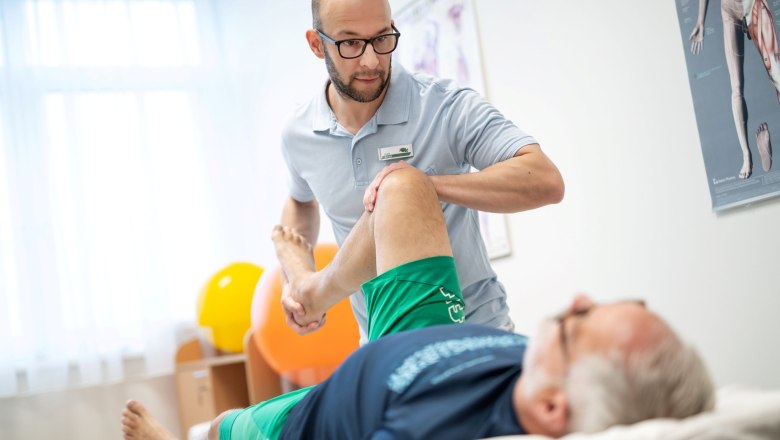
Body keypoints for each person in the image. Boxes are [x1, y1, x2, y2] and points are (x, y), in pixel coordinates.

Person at [122, 165, 714, 440]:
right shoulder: (546, 376)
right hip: (426, 324)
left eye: (576, 327)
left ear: (555, 410)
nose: (577, 300)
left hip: (336, 407)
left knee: (227, 427)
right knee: (403, 184)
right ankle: (312, 289)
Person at [279, 0, 565, 340]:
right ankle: (311, 290)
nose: (371, 60)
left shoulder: (444, 105)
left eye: (383, 38)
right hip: (381, 343)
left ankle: (318, 291)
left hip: (477, 330)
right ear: (316, 44)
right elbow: (300, 202)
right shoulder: (299, 134)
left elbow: (545, 179)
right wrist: (293, 276)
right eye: (351, 43)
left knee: (400, 188)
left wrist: (421, 188)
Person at [689, 0, 777, 177]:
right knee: (736, 87)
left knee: (774, 76)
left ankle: (747, 156)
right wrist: (700, 21)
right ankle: (746, 155)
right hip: (730, 9)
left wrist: (701, 21)